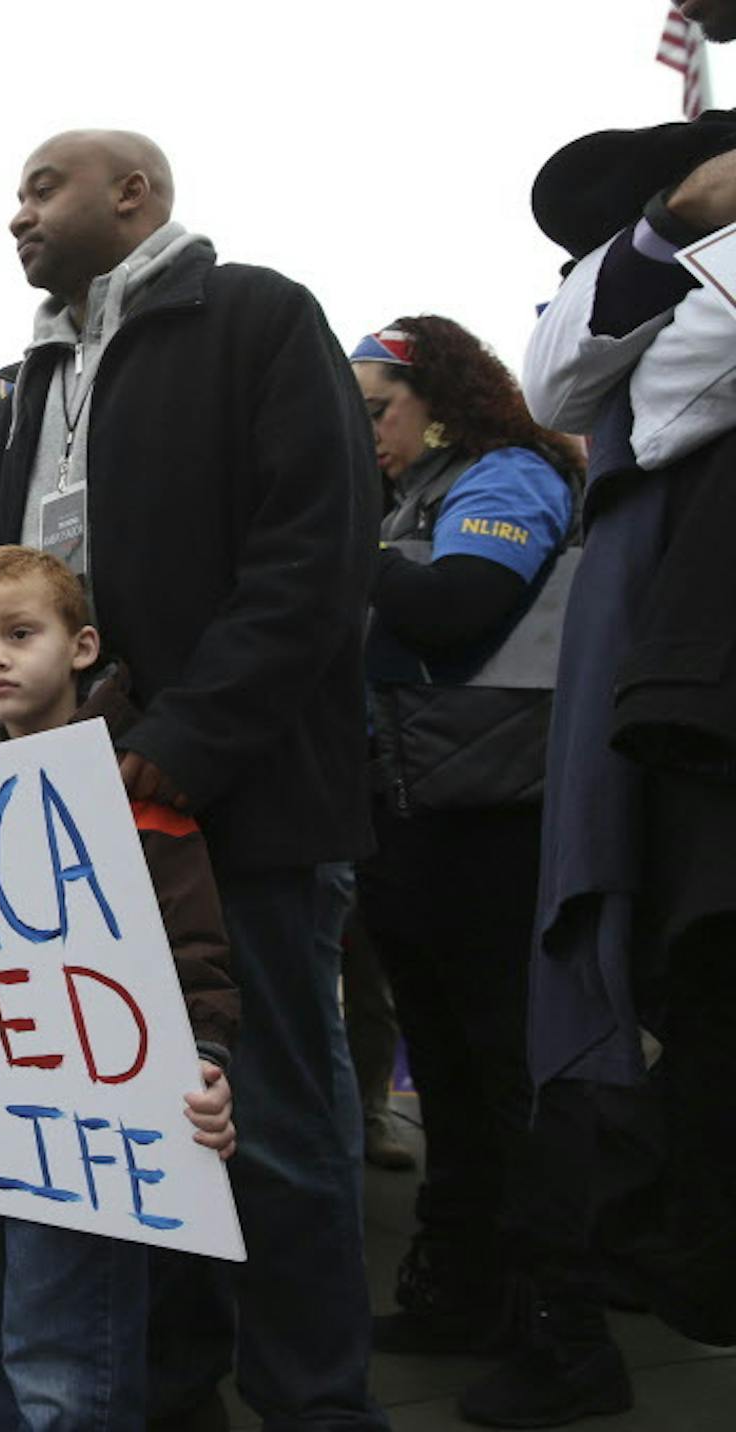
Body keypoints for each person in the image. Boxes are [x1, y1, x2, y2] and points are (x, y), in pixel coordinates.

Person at [0, 131, 381, 1428]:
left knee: (270, 1132)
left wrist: (174, 750)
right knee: (119, 1143)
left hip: (245, 811)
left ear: (135, 195)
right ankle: (171, 1396)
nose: (15, 215)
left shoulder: (260, 322)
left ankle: (315, 1403)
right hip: (54, 826)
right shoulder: (30, 381)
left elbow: (313, 563)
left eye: (38, 189)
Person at [486, 77, 736, 1425]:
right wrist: (673, 231)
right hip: (664, 632)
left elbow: (687, 389)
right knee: (626, 926)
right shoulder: (649, 258)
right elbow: (576, 380)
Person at [0, 543, 237, 1429]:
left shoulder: (134, 794)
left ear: (82, 645)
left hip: (89, 1131)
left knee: (61, 1346)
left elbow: (195, 959)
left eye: (20, 634)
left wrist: (207, 1060)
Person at [349, 317, 580, 1368]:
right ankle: (462, 1288)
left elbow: (460, 605)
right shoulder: (405, 499)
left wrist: (338, 536)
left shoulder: (505, 476)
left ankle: (559, 1331)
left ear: (438, 401)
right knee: (442, 1070)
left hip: (498, 823)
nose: (366, 438)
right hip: (412, 818)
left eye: (377, 414)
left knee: (508, 1075)